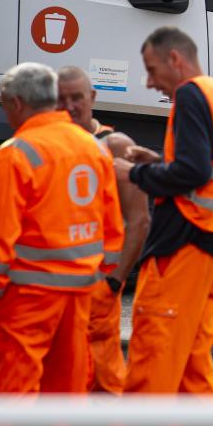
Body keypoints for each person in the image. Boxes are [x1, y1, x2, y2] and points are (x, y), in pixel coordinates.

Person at [115, 27, 213, 394]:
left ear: (175, 59)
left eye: (152, 69)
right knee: (192, 356)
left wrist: (136, 173)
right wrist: (159, 161)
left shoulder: (190, 95)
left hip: (187, 237)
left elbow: (193, 172)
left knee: (156, 344)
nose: (150, 81)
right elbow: (208, 167)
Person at [0, 62, 123, 394]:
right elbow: (112, 227)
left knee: (19, 391)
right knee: (67, 393)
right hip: (81, 295)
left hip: (26, 297)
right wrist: (100, 279)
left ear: (16, 103)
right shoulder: (94, 147)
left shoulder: (15, 154)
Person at [56, 65, 152, 393]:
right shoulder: (47, 145)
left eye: (77, 98)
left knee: (103, 380)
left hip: (98, 286)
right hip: (56, 286)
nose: (70, 106)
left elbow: (139, 220)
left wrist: (115, 280)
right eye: (62, 99)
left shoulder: (113, 145)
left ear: (92, 98)